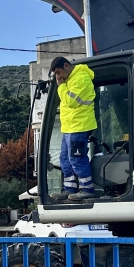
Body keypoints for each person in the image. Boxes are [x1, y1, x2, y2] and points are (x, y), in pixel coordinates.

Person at [50, 56, 99, 201]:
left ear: (66, 66)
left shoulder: (80, 78)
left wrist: (61, 86)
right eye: (56, 75)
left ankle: (87, 188)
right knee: (65, 159)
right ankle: (69, 188)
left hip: (79, 125)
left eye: (58, 72)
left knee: (77, 158)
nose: (58, 77)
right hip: (69, 127)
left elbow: (70, 101)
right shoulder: (70, 79)